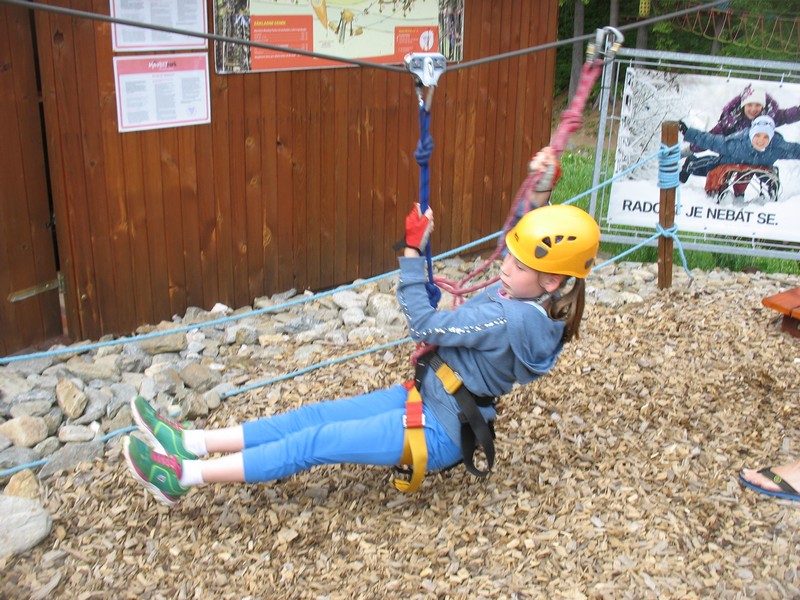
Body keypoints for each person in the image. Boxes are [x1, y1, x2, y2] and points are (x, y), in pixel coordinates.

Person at [122, 184, 601, 505]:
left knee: (314, 442)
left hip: (438, 428)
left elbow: (423, 325)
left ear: (551, 280)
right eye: (510, 257)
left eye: (518, 265)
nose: (504, 268)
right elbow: (508, 273)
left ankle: (182, 477)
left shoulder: (509, 316)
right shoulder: (536, 303)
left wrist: (411, 253)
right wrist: (541, 187)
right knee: (311, 417)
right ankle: (191, 443)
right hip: (431, 399)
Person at [681, 85, 800, 181]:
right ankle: (692, 164)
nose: (753, 109)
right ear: (743, 106)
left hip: (758, 155)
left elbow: (787, 115)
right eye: (749, 105)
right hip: (733, 151)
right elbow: (712, 139)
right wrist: (692, 148)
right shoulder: (731, 120)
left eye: (758, 105)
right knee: (715, 166)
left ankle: (746, 192)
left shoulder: (769, 117)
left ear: (763, 107)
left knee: (760, 168)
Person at [679, 115, 800, 199]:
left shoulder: (776, 149)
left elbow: (794, 150)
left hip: (757, 166)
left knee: (765, 172)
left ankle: (768, 189)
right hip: (730, 161)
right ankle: (691, 164)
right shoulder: (737, 144)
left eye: (766, 137)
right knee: (710, 167)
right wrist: (688, 132)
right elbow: (712, 141)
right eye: (757, 136)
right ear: (751, 135)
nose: (761, 140)